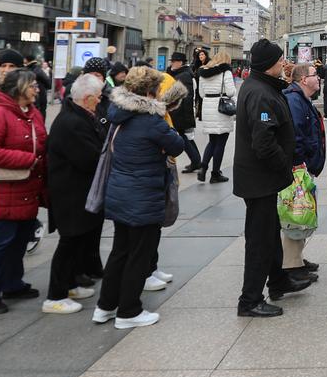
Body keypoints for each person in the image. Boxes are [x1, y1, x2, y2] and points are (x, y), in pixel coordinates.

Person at [92, 66, 187, 329]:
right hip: (143, 195)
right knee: (139, 255)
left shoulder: (119, 114)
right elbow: (177, 146)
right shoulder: (150, 120)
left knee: (120, 252)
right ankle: (129, 311)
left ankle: (105, 306)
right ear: (150, 91)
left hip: (120, 192)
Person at [233, 39, 299, 318]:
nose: (285, 63)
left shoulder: (263, 86)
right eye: (281, 60)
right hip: (259, 178)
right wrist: (284, 166)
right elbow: (264, 142)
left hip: (260, 178)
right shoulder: (260, 92)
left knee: (269, 232)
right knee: (259, 239)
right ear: (269, 65)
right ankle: (249, 300)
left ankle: (279, 279)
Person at [0, 69, 47, 314]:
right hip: (5, 189)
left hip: (27, 187)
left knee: (19, 241)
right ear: (19, 88)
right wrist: (27, 159)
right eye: (32, 85)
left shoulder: (31, 113)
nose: (36, 89)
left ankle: (12, 283)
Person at [44, 72, 107, 314]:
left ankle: (70, 284)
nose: (101, 101)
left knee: (79, 240)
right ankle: (55, 296)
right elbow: (90, 158)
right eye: (99, 97)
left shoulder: (81, 116)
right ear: (88, 98)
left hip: (79, 191)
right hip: (70, 193)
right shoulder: (71, 123)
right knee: (68, 243)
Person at [281, 63, 326, 279]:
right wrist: (300, 163)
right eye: (314, 74)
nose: (318, 78)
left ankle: (296, 259)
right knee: (297, 212)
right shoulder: (294, 100)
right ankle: (291, 266)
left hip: (305, 165)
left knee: (302, 212)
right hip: (299, 166)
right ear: (303, 80)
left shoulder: (302, 99)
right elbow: (295, 134)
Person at [196, 49, 237, 183]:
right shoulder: (226, 72)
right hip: (221, 110)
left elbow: (201, 94)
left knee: (212, 141)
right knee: (221, 143)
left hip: (208, 108)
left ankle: (203, 168)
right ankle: (215, 174)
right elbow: (230, 92)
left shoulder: (203, 72)